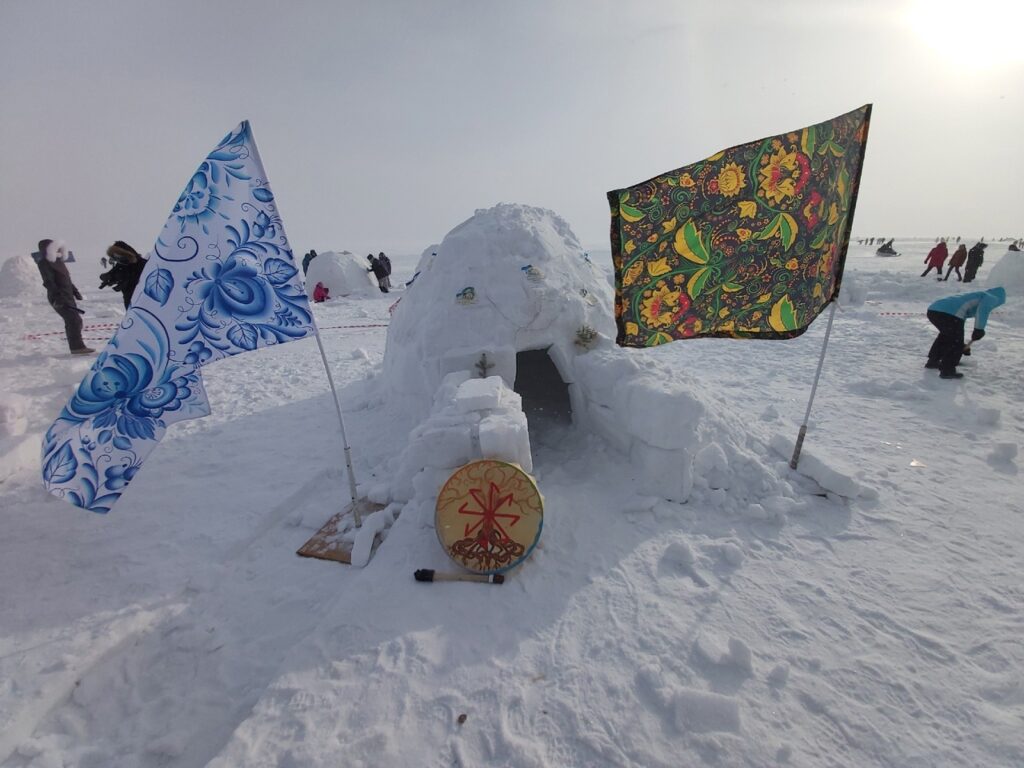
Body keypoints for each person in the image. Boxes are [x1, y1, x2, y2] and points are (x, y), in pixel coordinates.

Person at [925, 286, 1006, 379]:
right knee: (955, 341)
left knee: (946, 336)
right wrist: (979, 329)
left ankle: (933, 361)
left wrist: (962, 346)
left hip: (934, 310)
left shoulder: (978, 295)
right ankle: (947, 370)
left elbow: (960, 319)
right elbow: (982, 311)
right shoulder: (992, 298)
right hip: (949, 313)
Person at [35, 238, 94, 355]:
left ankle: (77, 346)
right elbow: (49, 282)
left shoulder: (59, 262)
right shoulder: (44, 263)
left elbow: (66, 279)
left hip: (68, 295)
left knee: (76, 320)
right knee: (73, 320)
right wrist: (58, 297)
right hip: (58, 297)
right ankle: (77, 348)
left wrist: (75, 291)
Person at [99, 241, 146, 310]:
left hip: (142, 299)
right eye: (115, 256)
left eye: (118, 256)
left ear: (126, 254)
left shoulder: (142, 264)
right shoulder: (121, 264)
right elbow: (114, 273)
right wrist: (109, 277)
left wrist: (124, 282)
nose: (117, 259)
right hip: (128, 298)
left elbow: (139, 280)